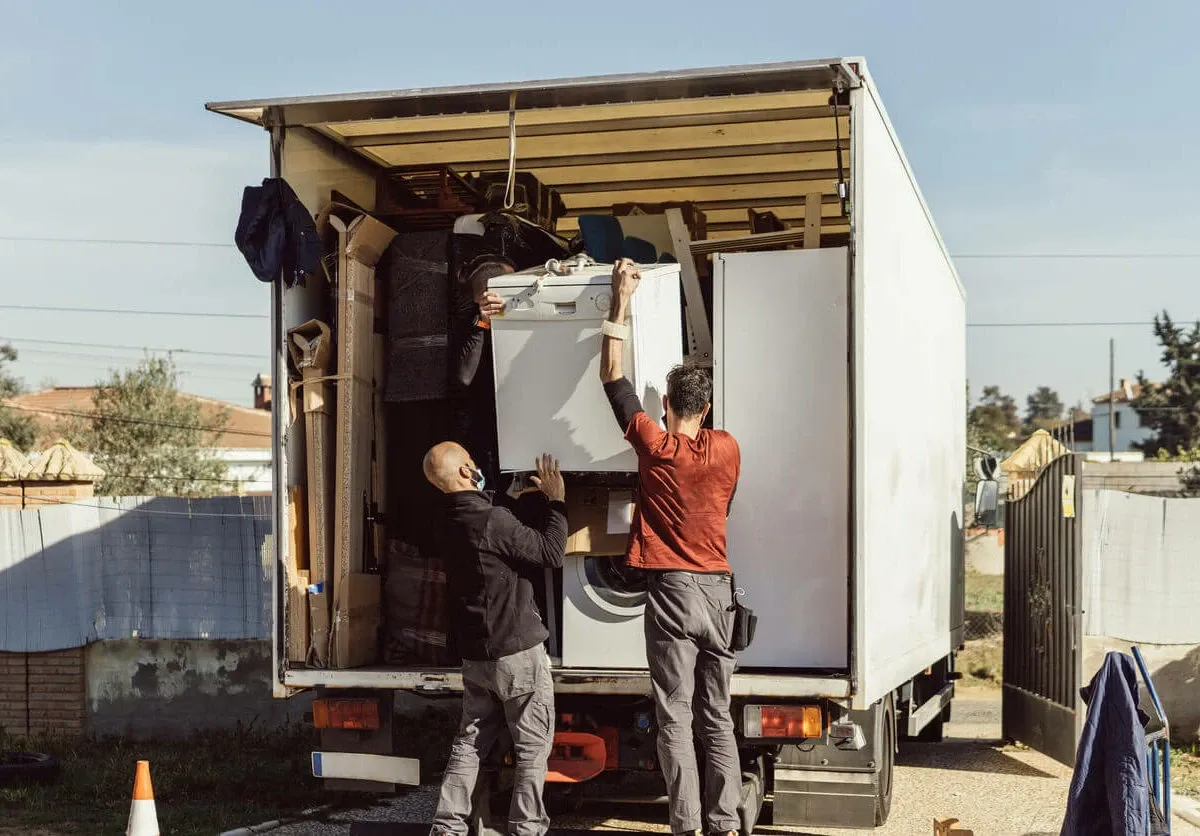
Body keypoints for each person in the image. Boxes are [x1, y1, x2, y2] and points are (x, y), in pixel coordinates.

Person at [599, 258, 742, 836]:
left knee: (675, 718)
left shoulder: (656, 446)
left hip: (674, 591)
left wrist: (620, 300)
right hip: (720, 591)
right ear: (706, 411)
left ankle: (686, 826)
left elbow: (612, 376)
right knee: (718, 720)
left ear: (666, 407)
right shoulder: (729, 448)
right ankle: (724, 824)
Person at [424, 442, 567, 836]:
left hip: (477, 656)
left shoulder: (445, 522)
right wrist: (556, 503)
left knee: (469, 742)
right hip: (517, 650)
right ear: (467, 473)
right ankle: (527, 828)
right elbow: (551, 552)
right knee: (533, 748)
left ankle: (446, 827)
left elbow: (489, 534)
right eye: (472, 464)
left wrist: (508, 498)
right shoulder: (492, 520)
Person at [449, 256, 514, 488]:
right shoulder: (470, 323)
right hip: (482, 431)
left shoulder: (515, 319)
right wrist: (483, 323)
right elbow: (464, 376)